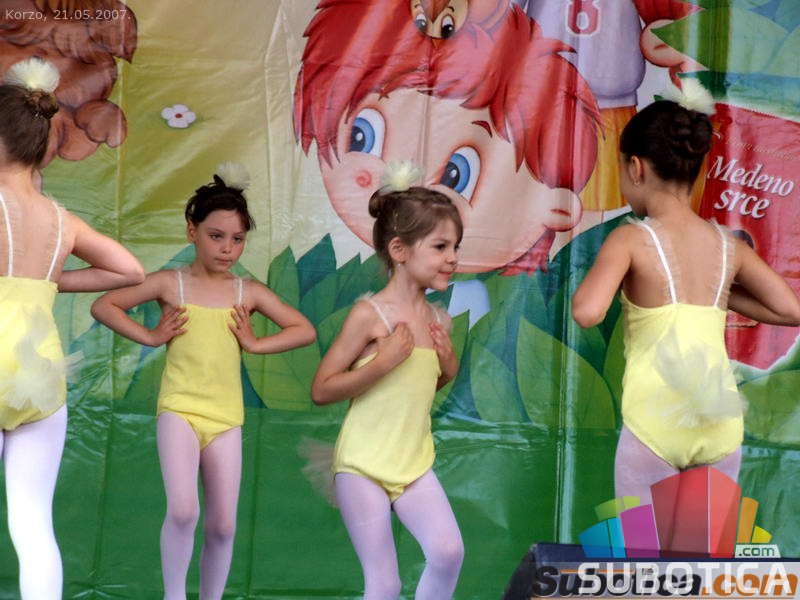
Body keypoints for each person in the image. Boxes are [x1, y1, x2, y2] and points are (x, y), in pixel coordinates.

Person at [90, 165, 316, 599]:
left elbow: (303, 329)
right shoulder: (170, 283)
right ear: (191, 231)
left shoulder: (247, 291)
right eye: (216, 236)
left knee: (224, 524)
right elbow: (105, 305)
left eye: (237, 239)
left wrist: (254, 344)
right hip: (179, 409)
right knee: (182, 510)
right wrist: (151, 336)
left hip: (226, 417)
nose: (227, 248)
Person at [571, 80, 800, 505]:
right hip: (719, 426)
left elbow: (587, 312)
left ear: (635, 168)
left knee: (642, 548)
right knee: (703, 548)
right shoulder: (729, 248)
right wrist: (719, 293)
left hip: (654, 423)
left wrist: (617, 278)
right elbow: (791, 310)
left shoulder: (631, 240)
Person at [0, 57, 145, 599]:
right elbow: (129, 270)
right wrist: (49, 280)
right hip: (37, 375)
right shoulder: (62, 220)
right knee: (34, 525)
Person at [311, 163, 465, 599]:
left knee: (448, 552)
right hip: (362, 464)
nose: (453, 257)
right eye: (440, 246)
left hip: (413, 463)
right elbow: (322, 389)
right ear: (399, 249)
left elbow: (421, 387)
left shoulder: (440, 321)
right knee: (384, 583)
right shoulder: (370, 315)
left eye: (455, 246)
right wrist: (380, 364)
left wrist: (448, 365)